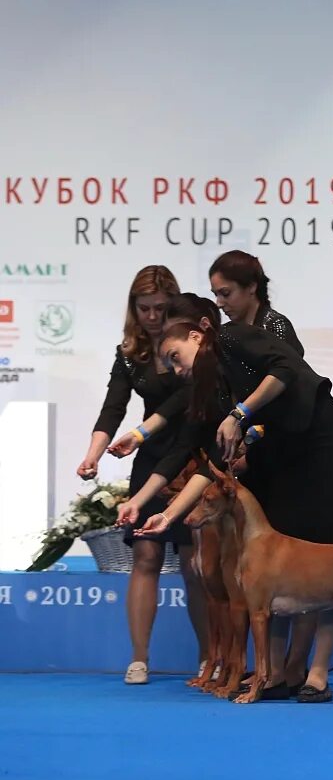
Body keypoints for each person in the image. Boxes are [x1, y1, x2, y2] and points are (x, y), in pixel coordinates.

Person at [116, 320, 333, 703]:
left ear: (196, 337)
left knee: (328, 555)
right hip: (281, 455)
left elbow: (286, 369)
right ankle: (279, 673)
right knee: (275, 574)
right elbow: (201, 459)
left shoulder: (232, 336)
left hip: (320, 443)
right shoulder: (212, 388)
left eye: (176, 357)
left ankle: (315, 672)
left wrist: (239, 414)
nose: (178, 370)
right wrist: (164, 513)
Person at [78, 266, 205, 685]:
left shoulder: (191, 345)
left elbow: (188, 397)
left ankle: (211, 657)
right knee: (145, 554)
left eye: (159, 308)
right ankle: (139, 658)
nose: (151, 316)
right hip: (149, 455)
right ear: (133, 308)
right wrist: (93, 455)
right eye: (143, 308)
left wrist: (141, 431)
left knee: (195, 563)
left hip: (192, 451)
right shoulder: (130, 353)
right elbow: (113, 406)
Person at [209, 249, 303, 355]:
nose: (219, 303)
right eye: (216, 294)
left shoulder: (276, 326)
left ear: (251, 287)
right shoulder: (226, 334)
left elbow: (289, 369)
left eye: (226, 293)